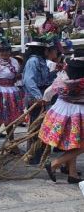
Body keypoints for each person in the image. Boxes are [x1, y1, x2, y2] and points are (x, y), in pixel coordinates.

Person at [41, 52, 84, 184]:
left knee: (73, 143)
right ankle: (55, 163)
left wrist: (44, 101)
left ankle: (73, 174)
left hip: (62, 110)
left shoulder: (63, 77)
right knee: (80, 145)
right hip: (79, 112)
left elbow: (49, 92)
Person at [22, 38, 55, 164]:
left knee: (42, 125)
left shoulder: (41, 61)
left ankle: (38, 154)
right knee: (36, 126)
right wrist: (38, 97)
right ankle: (33, 156)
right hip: (35, 98)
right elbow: (29, 81)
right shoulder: (33, 61)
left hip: (41, 95)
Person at [0, 39, 23, 146]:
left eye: (7, 50)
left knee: (7, 118)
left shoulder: (14, 61)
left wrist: (17, 79)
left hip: (11, 92)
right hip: (0, 93)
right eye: (2, 51)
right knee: (4, 118)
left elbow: (16, 76)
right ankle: (11, 143)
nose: (5, 53)